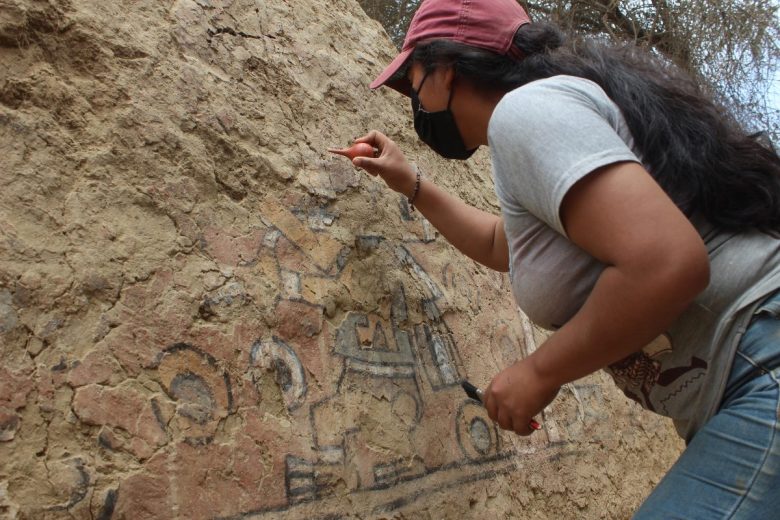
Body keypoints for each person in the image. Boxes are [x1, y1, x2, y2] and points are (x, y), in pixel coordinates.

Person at [352, 0, 780, 517]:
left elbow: (666, 261)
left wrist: (540, 371)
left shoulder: (525, 114)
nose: (413, 102)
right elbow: (500, 245)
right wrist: (412, 183)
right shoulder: (548, 120)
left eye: (411, 82)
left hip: (762, 364)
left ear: (444, 69)